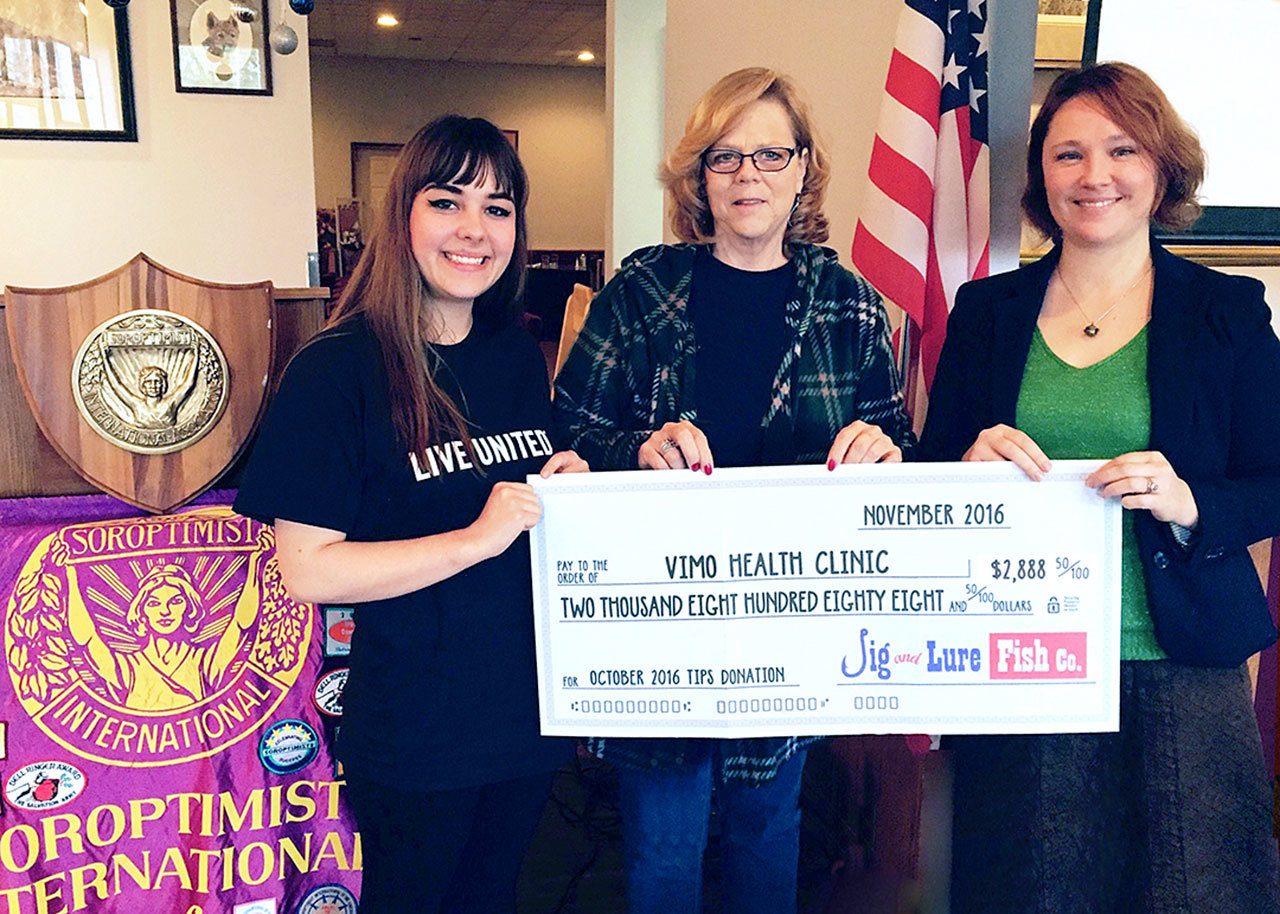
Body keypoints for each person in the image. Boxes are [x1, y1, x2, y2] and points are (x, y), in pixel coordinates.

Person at [920, 62, 1280, 912]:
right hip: (1023, 662)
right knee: (1036, 889)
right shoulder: (988, 311)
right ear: (1042, 175)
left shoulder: (1226, 310)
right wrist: (966, 466)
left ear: (1162, 169)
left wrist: (1193, 503)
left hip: (1183, 659)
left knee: (1199, 892)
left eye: (1122, 150)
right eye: (1067, 154)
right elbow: (932, 476)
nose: (1095, 176)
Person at [553, 67, 914, 913]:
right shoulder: (641, 290)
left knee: (766, 836)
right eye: (724, 157)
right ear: (697, 176)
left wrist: (882, 450)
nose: (747, 175)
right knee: (664, 852)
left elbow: (900, 446)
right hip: (659, 619)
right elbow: (566, 430)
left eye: (768, 154)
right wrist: (637, 447)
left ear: (802, 169)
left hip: (791, 620)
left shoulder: (850, 303)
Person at [234, 116, 586, 913]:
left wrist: (565, 485)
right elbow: (308, 568)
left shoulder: (512, 354)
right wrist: (472, 540)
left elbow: (521, 498)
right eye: (447, 202)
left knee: (494, 897)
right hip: (420, 730)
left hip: (528, 710)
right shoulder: (336, 369)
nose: (474, 230)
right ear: (404, 219)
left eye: (499, 209)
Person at [59, 541, 262, 711]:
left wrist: (255, 562)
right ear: (142, 612)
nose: (165, 611)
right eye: (154, 603)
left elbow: (241, 623)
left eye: (175, 601)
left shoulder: (204, 663)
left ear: (189, 607)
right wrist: (68, 573)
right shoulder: (128, 668)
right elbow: (85, 638)